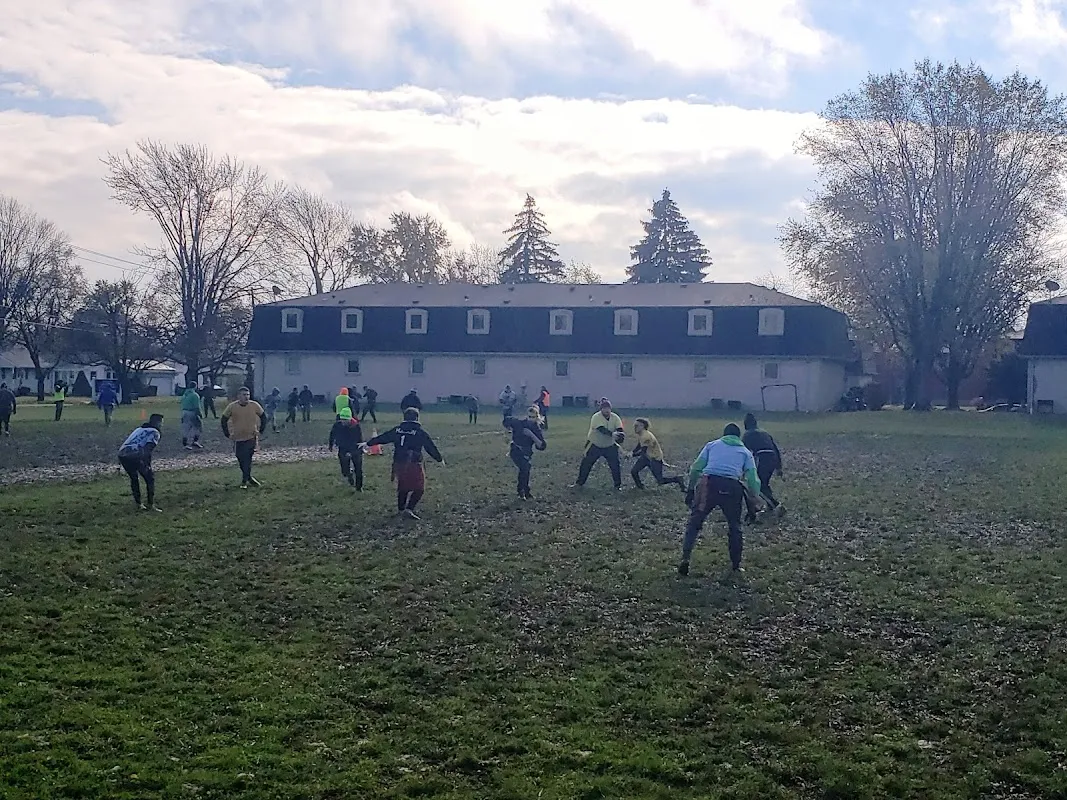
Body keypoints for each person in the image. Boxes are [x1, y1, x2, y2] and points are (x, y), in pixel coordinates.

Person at [679, 423, 763, 576]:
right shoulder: (745, 452)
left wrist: (691, 489)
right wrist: (755, 497)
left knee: (695, 522)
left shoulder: (712, 445)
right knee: (735, 525)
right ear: (738, 436)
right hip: (732, 486)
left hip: (708, 484)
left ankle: (685, 559)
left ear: (724, 434)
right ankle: (736, 565)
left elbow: (696, 468)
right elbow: (752, 478)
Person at [366, 407, 444, 520]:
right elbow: (430, 447)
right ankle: (409, 509)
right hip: (413, 462)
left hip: (398, 462)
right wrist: (439, 459)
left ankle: (401, 509)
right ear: (417, 418)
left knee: (403, 486)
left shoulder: (397, 429)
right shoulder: (419, 432)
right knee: (419, 488)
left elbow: (384, 437)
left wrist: (368, 443)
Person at [572, 398, 625, 490]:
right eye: (604, 408)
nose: (606, 410)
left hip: (610, 445)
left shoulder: (615, 417)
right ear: (601, 409)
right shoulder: (596, 417)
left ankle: (618, 485)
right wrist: (612, 434)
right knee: (586, 464)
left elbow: (620, 429)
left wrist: (620, 436)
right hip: (594, 444)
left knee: (615, 465)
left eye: (608, 408)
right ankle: (579, 483)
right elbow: (601, 429)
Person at [118, 412, 164, 512]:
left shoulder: (139, 429)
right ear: (157, 423)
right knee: (149, 478)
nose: (161, 425)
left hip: (123, 454)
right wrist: (147, 465)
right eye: (161, 423)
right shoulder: (155, 432)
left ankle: (138, 504)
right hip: (136, 455)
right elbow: (148, 449)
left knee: (134, 478)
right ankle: (150, 504)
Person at [221, 387, 267, 489]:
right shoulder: (232, 407)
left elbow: (263, 417)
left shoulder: (254, 405)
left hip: (251, 437)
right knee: (240, 458)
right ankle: (249, 477)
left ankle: (244, 481)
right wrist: (227, 434)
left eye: (248, 395)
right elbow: (223, 419)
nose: (246, 397)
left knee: (248, 459)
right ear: (238, 396)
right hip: (238, 438)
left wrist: (261, 431)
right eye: (244, 395)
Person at [743, 413, 785, 517]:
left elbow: (743, 452)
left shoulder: (748, 434)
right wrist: (779, 467)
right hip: (773, 458)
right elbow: (776, 449)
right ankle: (770, 506)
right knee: (764, 483)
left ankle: (776, 505)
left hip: (762, 458)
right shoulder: (765, 433)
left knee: (758, 485)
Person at [504, 405, 547, 500]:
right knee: (525, 468)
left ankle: (523, 491)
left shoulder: (536, 428)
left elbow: (541, 445)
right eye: (529, 417)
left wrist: (531, 435)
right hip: (515, 450)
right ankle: (523, 492)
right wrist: (508, 429)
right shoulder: (519, 423)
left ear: (537, 417)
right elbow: (506, 420)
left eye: (533, 417)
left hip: (526, 453)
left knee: (525, 470)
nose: (531, 419)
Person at [629, 418, 685, 491]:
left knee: (660, 480)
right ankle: (640, 487)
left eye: (636, 426)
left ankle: (678, 479)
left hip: (654, 458)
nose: (635, 427)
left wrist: (632, 455)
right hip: (647, 457)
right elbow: (639, 445)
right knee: (634, 471)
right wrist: (633, 452)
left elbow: (643, 452)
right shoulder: (642, 434)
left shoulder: (645, 436)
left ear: (642, 426)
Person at [328, 406, 365, 489]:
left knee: (358, 469)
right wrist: (330, 445)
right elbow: (332, 434)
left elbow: (358, 440)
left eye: (345, 420)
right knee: (344, 470)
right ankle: (349, 475)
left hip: (355, 449)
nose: (343, 422)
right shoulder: (337, 425)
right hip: (343, 448)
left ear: (350, 419)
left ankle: (359, 488)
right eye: (342, 420)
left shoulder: (355, 426)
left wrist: (353, 452)